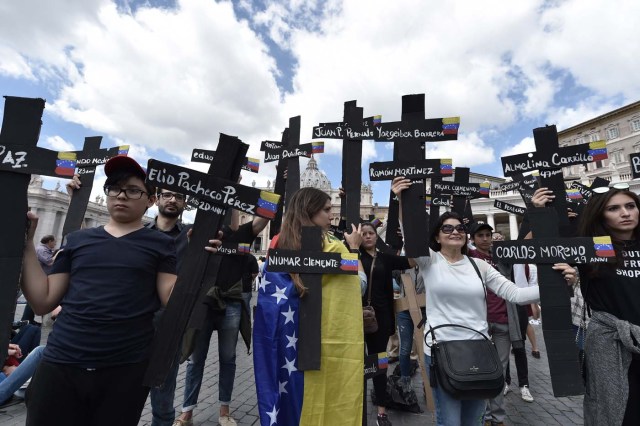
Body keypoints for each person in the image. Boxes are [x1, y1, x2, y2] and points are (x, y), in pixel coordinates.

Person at [20, 156, 220, 426]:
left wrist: (199, 261)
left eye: (133, 190)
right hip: (62, 363)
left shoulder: (161, 244)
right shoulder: (77, 240)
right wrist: (26, 245)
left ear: (150, 200)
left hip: (125, 368)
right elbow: (43, 300)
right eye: (115, 188)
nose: (121, 195)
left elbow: (171, 301)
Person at [392, 177, 576, 426]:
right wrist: (402, 200)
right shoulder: (430, 261)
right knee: (449, 422)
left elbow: (516, 294)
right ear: (436, 236)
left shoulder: (479, 266)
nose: (455, 231)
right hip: (441, 350)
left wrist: (557, 284)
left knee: (475, 422)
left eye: (459, 228)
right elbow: (410, 235)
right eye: (447, 228)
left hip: (478, 350)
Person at [253, 187, 366, 425]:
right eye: (326, 210)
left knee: (295, 406)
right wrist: (354, 250)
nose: (331, 216)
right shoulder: (334, 246)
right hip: (325, 347)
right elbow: (359, 286)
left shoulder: (279, 245)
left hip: (290, 348)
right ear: (310, 211)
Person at [534, 185, 640, 425]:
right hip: (611, 346)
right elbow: (548, 252)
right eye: (614, 208)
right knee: (619, 413)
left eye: (630, 206)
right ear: (600, 214)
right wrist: (541, 213)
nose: (625, 213)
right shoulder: (596, 247)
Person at [174, 211, 270, 426]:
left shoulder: (242, 235)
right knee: (195, 360)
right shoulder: (197, 233)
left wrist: (279, 181)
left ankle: (224, 409)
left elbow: (266, 215)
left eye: (235, 209)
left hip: (231, 302)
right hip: (203, 304)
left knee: (228, 359)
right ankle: (186, 411)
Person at [359, 221, 414, 426]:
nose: (367, 236)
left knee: (378, 364)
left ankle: (381, 411)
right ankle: (354, 406)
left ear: (376, 235)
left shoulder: (385, 258)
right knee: (355, 364)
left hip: (379, 319)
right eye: (363, 233)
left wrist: (412, 238)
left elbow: (411, 262)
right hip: (353, 317)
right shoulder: (352, 256)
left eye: (370, 233)